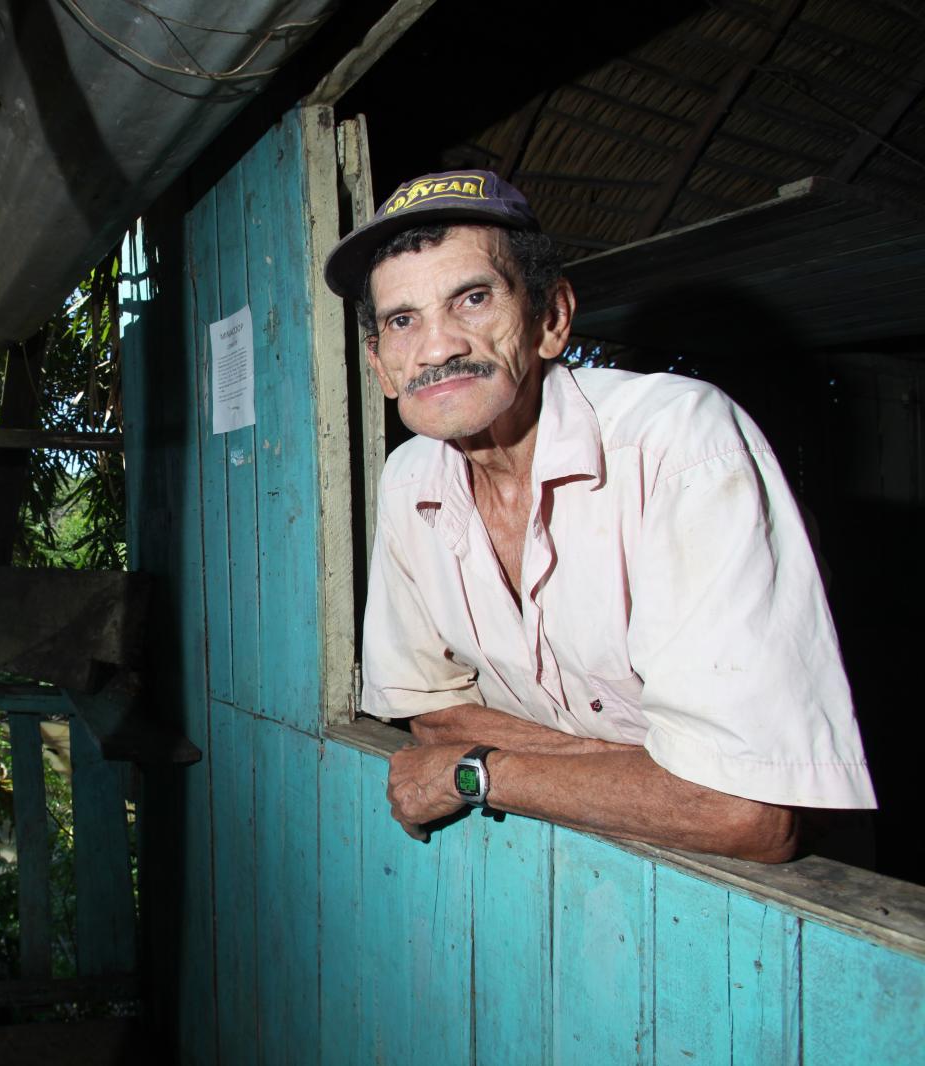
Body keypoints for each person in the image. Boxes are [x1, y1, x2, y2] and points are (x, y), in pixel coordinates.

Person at [321, 170, 875, 862]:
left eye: (472, 298)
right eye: (403, 321)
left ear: (550, 320)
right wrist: (649, 774)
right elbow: (431, 714)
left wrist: (481, 771)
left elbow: (749, 816)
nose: (436, 348)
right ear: (380, 365)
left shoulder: (680, 441)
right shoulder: (409, 481)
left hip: (786, 910)